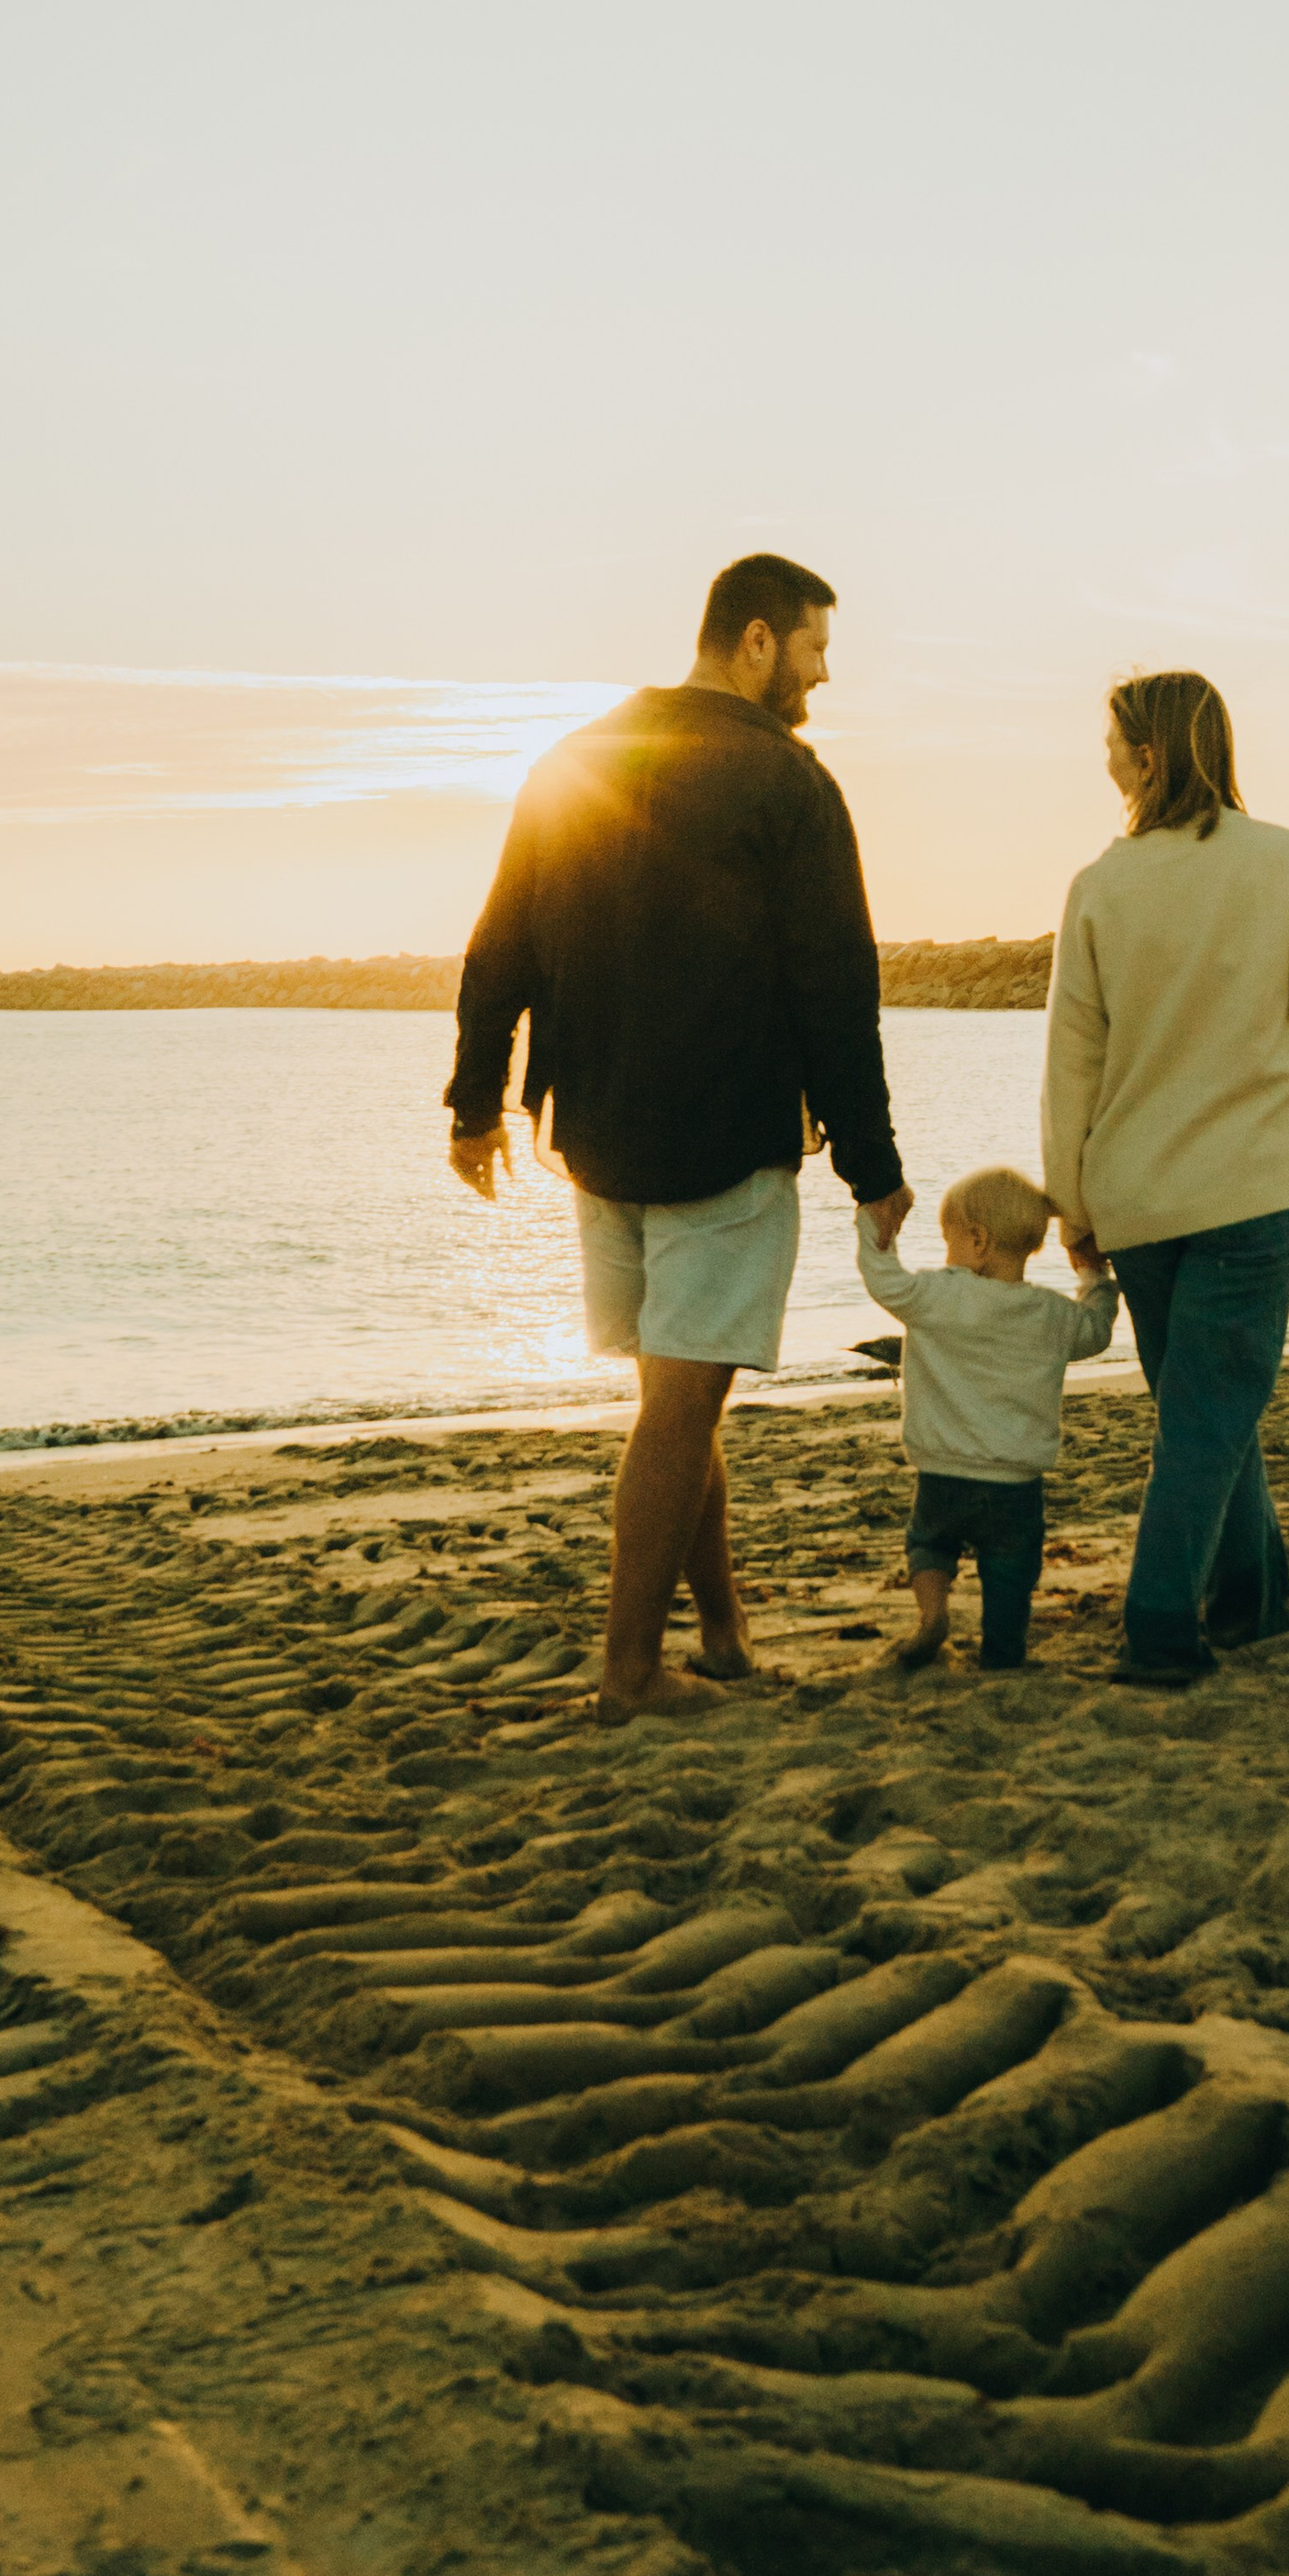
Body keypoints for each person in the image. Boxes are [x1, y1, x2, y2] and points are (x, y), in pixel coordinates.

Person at [445, 555, 912, 1725]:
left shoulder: (578, 758)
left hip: (596, 1138)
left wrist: (474, 1102)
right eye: (812, 649)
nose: (819, 676)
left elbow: (495, 942)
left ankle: (722, 1630)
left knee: (674, 1390)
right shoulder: (788, 783)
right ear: (754, 640)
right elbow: (833, 988)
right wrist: (875, 1167)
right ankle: (628, 1674)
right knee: (679, 1407)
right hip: (724, 1145)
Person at [1041, 668, 1289, 1687]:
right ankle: (1173, 1618)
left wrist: (1074, 1202)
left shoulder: (1100, 886)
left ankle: (1235, 1604)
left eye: (1110, 741)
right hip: (1250, 1188)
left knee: (1201, 1410)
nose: (1100, 757)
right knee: (1209, 1414)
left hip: (1141, 1198)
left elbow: (1072, 1064)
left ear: (1149, 755)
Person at [854, 1165, 1118, 1673]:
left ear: (976, 1240)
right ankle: (1003, 1653)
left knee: (929, 1544)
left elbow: (883, 1279)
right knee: (1011, 1570)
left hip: (941, 1472)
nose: (948, 1252)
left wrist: (875, 1222)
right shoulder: (1051, 1314)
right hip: (1015, 1482)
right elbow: (1097, 1330)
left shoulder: (939, 1295)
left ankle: (933, 1618)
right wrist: (1094, 1275)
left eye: (949, 1239)